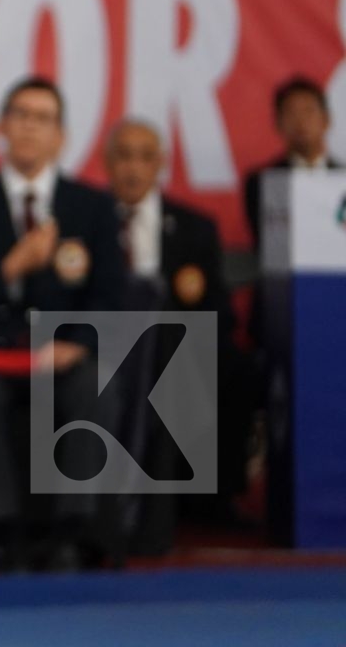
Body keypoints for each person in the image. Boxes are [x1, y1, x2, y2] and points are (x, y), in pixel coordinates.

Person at [0, 76, 126, 571]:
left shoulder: (91, 206)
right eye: (20, 115)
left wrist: (78, 343)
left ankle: (74, 529)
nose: (29, 127)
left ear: (61, 136)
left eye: (42, 119)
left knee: (95, 380)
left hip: (62, 353)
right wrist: (10, 269)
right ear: (0, 126)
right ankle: (1, 527)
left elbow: (112, 296)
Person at [102, 117, 251, 542]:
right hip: (108, 346)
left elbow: (219, 308)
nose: (134, 168)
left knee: (233, 366)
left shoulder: (194, 226)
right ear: (107, 164)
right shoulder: (88, 220)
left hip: (178, 349)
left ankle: (213, 499)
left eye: (145, 157)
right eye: (124, 156)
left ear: (160, 164)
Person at [242, 76, 341, 252]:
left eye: (308, 111)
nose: (301, 121)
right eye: (291, 113)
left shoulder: (342, 178)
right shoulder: (261, 182)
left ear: (326, 120)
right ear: (278, 123)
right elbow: (267, 243)